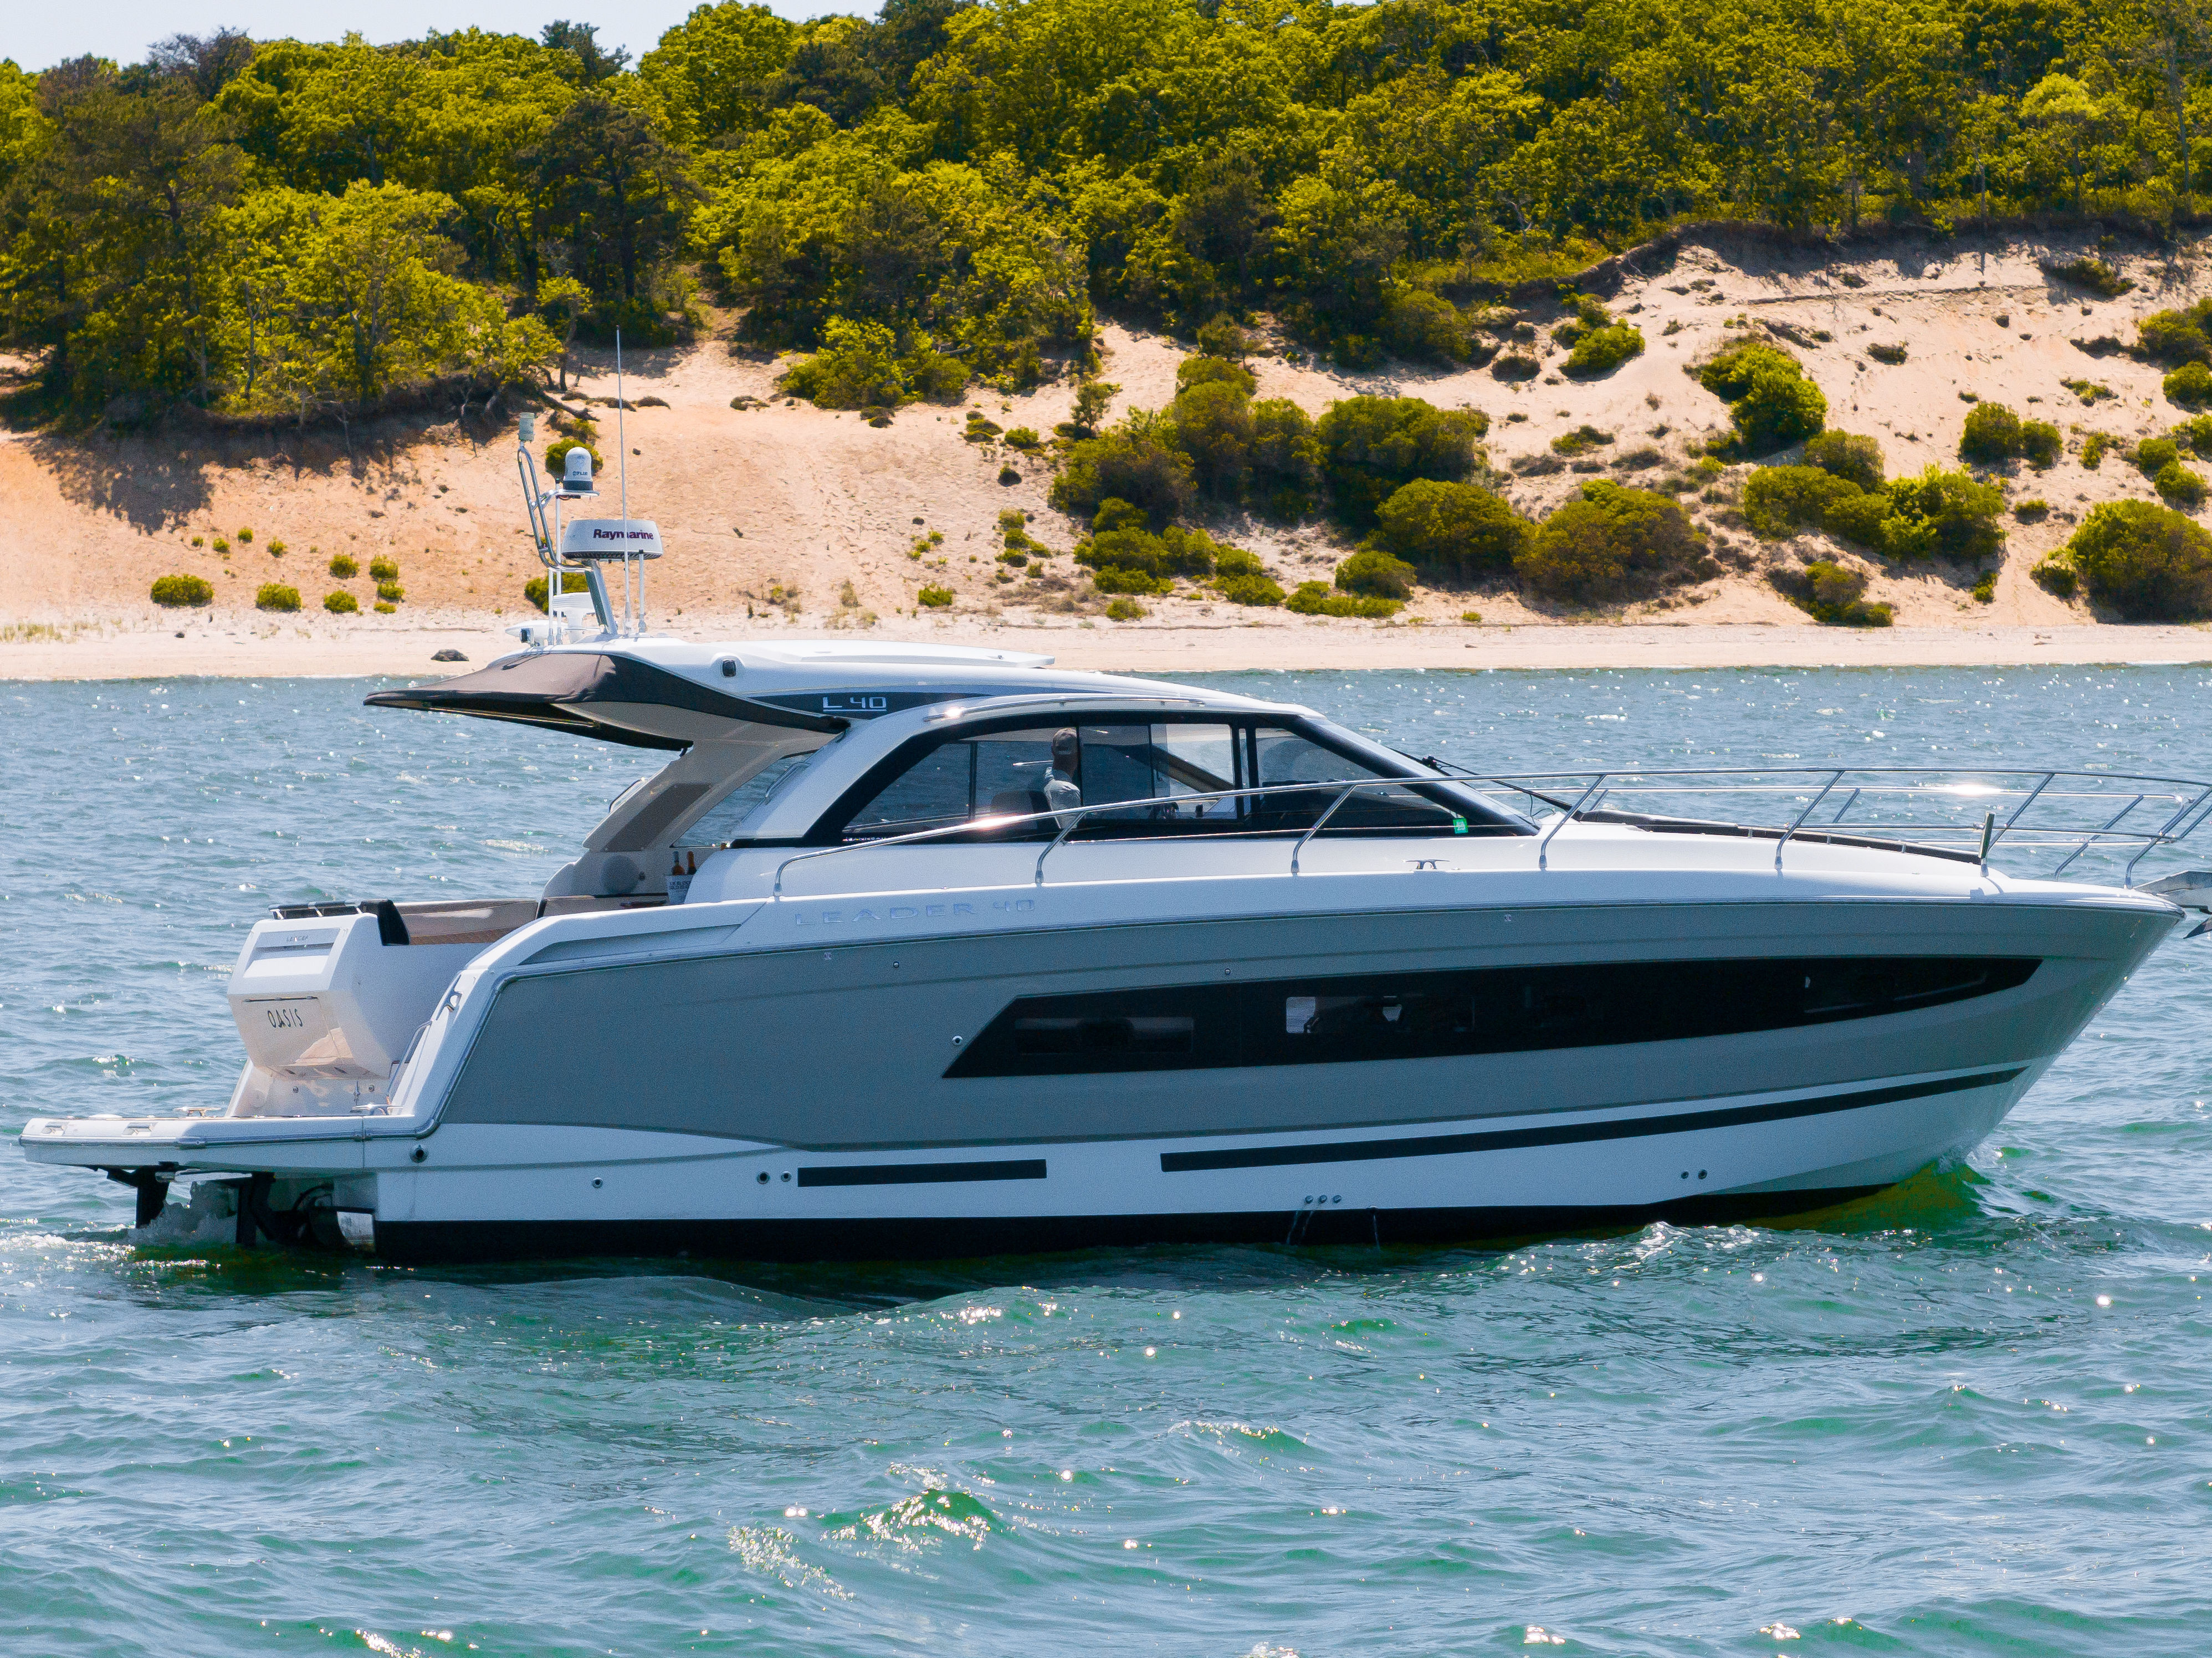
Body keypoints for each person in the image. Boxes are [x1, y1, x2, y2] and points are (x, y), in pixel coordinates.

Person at [1044, 728, 1082, 812]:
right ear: (1080, 754)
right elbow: (1075, 825)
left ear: (1052, 751)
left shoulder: (1041, 780)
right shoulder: (1069, 791)